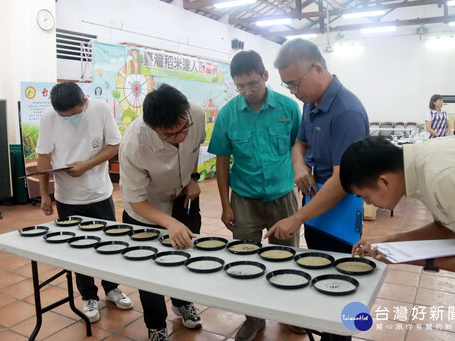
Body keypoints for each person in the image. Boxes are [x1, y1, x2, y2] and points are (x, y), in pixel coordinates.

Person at [264, 38, 369, 341]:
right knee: (320, 275)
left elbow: (340, 181)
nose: (294, 93)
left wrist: (295, 219)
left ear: (318, 69)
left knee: (341, 284)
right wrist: (299, 166)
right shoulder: (311, 104)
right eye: (288, 86)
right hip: (315, 207)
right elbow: (299, 144)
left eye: (295, 84)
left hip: (340, 208)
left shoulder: (347, 111)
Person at [208, 50, 302, 341]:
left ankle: (288, 315)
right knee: (245, 262)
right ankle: (254, 318)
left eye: (252, 84)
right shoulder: (228, 114)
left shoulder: (289, 108)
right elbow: (222, 162)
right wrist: (225, 205)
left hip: (283, 197)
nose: (247, 92)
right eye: (240, 86)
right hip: (245, 200)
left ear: (265, 76)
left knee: (285, 259)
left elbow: (298, 147)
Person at [36, 82, 133, 323]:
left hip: (99, 193)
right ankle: (88, 296)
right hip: (67, 198)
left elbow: (114, 145)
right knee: (78, 250)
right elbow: (43, 155)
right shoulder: (49, 117)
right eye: (63, 116)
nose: (69, 119)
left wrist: (86, 165)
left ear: (85, 101)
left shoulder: (100, 110)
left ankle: (112, 289)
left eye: (74, 114)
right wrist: (45, 194)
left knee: (109, 245)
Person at [119, 83, 205, 341]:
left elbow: (194, 150)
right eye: (171, 134)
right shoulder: (134, 142)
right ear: (153, 127)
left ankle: (182, 302)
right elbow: (136, 200)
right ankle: (156, 324)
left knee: (185, 259)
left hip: (182, 200)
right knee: (150, 272)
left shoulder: (196, 114)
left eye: (184, 129)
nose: (181, 136)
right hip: (146, 211)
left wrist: (192, 177)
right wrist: (168, 223)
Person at [340, 136, 455, 274]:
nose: (368, 203)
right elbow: (446, 229)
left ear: (384, 182)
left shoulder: (441, 177)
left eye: (365, 196)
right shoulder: (416, 166)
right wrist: (386, 241)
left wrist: (416, 260)